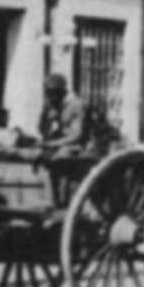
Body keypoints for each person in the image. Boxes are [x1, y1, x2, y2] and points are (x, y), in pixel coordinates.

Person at [38, 73, 87, 203]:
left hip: (80, 145)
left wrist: (54, 144)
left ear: (62, 92)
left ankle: (63, 199)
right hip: (62, 143)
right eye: (48, 93)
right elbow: (42, 130)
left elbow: (77, 135)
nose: (51, 97)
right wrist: (45, 113)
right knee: (40, 156)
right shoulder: (54, 105)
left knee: (59, 158)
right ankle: (52, 198)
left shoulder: (76, 105)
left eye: (54, 93)